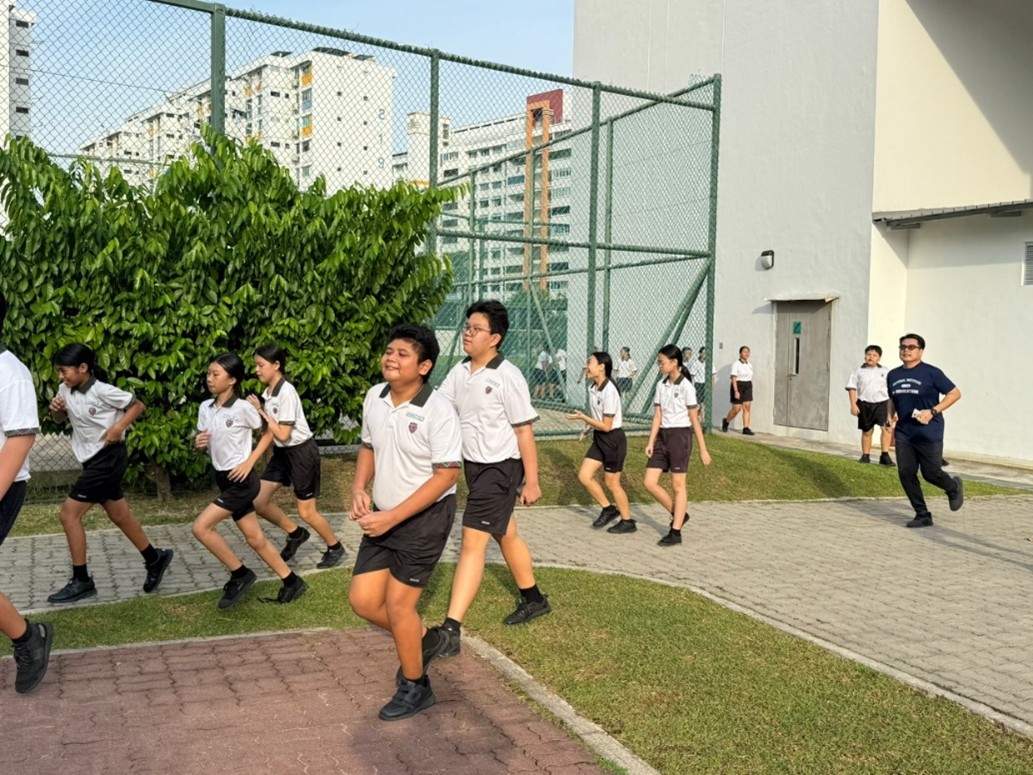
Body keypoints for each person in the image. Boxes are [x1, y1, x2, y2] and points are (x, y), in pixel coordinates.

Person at [348, 324, 462, 721]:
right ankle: (426, 639)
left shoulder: (439, 409)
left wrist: (392, 517)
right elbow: (368, 447)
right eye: (388, 351)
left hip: (424, 519)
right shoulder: (375, 396)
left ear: (425, 366)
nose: (391, 358)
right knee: (362, 602)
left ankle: (417, 686)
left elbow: (447, 476)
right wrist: (360, 488)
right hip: (382, 516)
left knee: (399, 606)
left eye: (402, 354)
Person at [432, 300, 550, 656]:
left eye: (476, 329)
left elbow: (524, 431)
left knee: (472, 542)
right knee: (505, 533)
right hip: (476, 467)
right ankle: (534, 598)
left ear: (495, 338)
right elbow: (439, 407)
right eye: (466, 327)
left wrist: (532, 480)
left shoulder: (507, 376)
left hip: (501, 468)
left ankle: (451, 628)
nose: (467, 333)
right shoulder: (460, 372)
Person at [46, 344, 174, 603]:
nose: (60, 376)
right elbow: (60, 420)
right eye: (58, 372)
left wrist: (118, 428)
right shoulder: (65, 389)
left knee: (69, 514)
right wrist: (56, 410)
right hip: (92, 460)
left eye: (64, 371)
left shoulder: (103, 390)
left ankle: (81, 580)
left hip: (108, 458)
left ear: (83, 368)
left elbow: (138, 405)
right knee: (119, 514)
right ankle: (154, 558)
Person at [192, 352, 308, 608]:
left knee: (201, 528)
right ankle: (292, 582)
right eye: (208, 373)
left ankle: (240, 574)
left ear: (232, 379)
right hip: (223, 479)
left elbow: (268, 432)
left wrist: (249, 462)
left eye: (216, 374)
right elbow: (204, 439)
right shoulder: (206, 408)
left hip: (242, 482)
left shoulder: (244, 408)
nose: (209, 379)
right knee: (256, 539)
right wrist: (198, 443)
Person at [246, 344, 345, 569]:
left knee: (307, 511)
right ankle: (296, 533)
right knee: (258, 501)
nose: (257, 370)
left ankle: (335, 546)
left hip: (302, 453)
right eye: (255, 365)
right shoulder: (268, 392)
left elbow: (281, 432)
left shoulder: (286, 392)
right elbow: (270, 433)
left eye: (260, 365)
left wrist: (260, 411)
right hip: (282, 453)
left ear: (276, 365)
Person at [0, 290, 53, 693]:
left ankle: (29, 639)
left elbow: (20, 440)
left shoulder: (10, 372)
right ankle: (27, 638)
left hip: (5, 483)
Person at [887, 334, 963, 528]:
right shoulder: (893, 375)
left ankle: (953, 487)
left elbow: (955, 393)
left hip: (929, 431)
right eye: (902, 346)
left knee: (931, 473)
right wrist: (890, 415)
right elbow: (892, 399)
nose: (906, 350)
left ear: (920, 351)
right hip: (905, 432)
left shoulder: (932, 373)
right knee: (906, 472)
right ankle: (922, 514)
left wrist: (933, 411)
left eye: (911, 347)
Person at [645, 345, 712, 546]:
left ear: (674, 363)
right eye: (658, 362)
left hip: (680, 436)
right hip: (662, 437)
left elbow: (694, 419)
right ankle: (679, 514)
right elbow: (658, 415)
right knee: (649, 482)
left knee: (678, 486)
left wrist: (703, 449)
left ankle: (676, 531)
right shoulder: (660, 385)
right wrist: (651, 441)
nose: (659, 365)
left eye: (662, 362)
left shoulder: (687, 387)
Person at [566, 351, 635, 533]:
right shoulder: (592, 388)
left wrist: (583, 418)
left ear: (602, 366)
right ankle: (608, 509)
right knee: (584, 476)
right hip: (599, 438)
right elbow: (598, 418)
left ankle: (628, 521)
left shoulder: (610, 391)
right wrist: (587, 428)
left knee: (612, 483)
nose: (586, 367)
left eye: (589, 362)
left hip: (613, 440)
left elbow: (606, 426)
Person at [846, 345, 894, 466]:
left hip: (883, 404)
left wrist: (894, 410)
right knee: (867, 431)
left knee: (887, 429)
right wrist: (853, 405)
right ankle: (865, 455)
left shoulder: (885, 371)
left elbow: (892, 390)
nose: (871, 357)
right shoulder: (858, 371)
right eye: (868, 354)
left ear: (879, 358)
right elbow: (852, 388)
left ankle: (885, 455)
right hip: (864, 404)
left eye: (874, 355)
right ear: (865, 356)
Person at [722, 346, 754, 435]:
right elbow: (733, 378)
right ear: (740, 353)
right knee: (737, 409)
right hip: (738, 385)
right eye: (744, 352)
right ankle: (726, 421)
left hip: (748, 385)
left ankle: (746, 428)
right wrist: (736, 391)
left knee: (747, 407)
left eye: (748, 352)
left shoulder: (749, 365)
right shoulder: (736, 364)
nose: (746, 354)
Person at [689, 346, 714, 423]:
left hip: (705, 384)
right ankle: (695, 419)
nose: (704, 355)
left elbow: (713, 376)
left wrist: (712, 387)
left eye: (706, 353)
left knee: (703, 404)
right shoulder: (696, 363)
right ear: (700, 353)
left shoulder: (709, 363)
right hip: (698, 384)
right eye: (703, 353)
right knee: (697, 404)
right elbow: (692, 376)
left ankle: (702, 420)